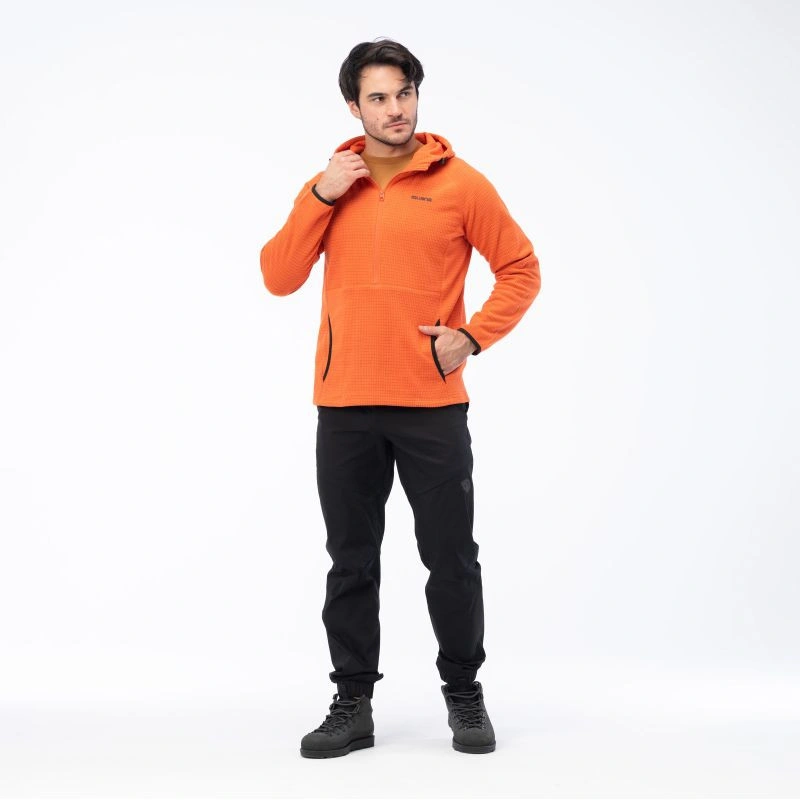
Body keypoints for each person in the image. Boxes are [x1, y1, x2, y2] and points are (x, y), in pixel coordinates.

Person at [260, 38, 541, 758]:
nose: (395, 109)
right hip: (345, 402)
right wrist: (322, 194)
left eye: (404, 93)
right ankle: (352, 702)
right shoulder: (331, 183)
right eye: (378, 97)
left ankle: (464, 694)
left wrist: (471, 338)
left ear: (418, 95)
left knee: (451, 558)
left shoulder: (462, 184)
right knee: (351, 561)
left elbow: (520, 267)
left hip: (431, 405)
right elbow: (279, 276)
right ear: (353, 107)